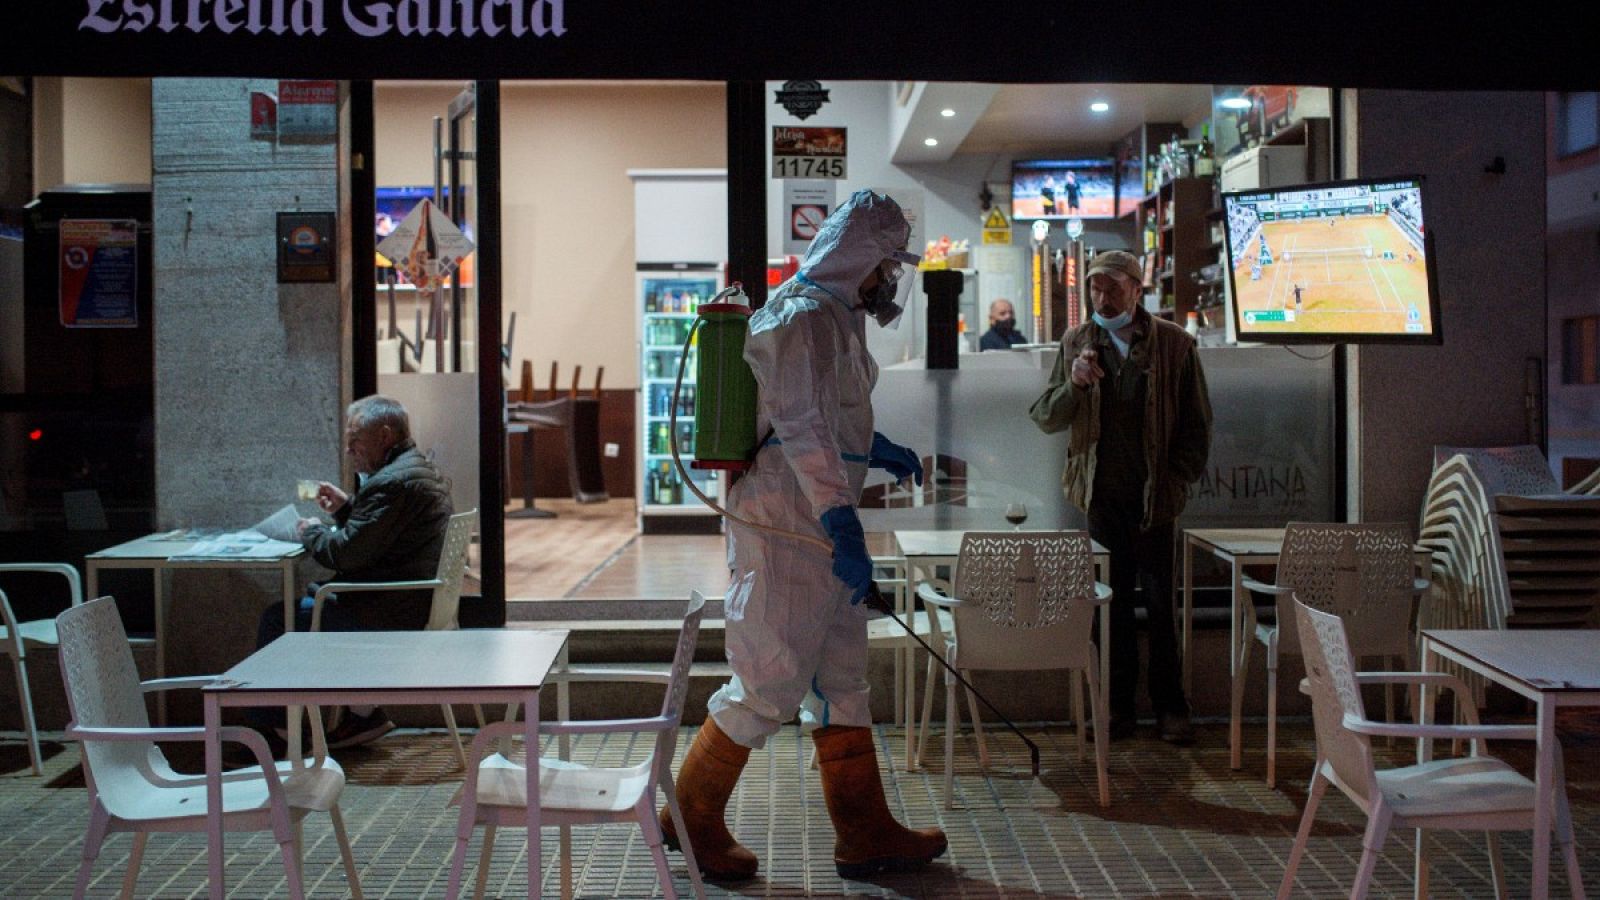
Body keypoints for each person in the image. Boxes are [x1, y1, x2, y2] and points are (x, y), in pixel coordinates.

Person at [661, 191, 946, 881]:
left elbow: (833, 419)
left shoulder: (839, 320)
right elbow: (800, 427)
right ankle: (689, 815)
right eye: (885, 263)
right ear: (860, 258)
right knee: (768, 680)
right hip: (788, 527)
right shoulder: (799, 316)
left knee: (845, 680)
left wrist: (876, 447)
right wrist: (840, 518)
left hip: (819, 522)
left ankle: (864, 831)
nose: (890, 280)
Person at [1028, 250, 1211, 745]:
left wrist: (1176, 481)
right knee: (1108, 609)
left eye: (1111, 288)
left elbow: (1198, 426)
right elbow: (1045, 415)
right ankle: (1118, 709)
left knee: (1159, 606)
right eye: (1094, 289)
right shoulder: (1077, 344)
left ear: (1137, 288)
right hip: (1101, 498)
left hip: (1155, 500)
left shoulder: (1174, 345)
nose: (1102, 298)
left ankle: (1171, 709)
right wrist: (1074, 385)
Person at [252, 394, 454, 750]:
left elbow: (346, 555)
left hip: (385, 612)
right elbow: (381, 541)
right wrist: (347, 510)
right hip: (406, 602)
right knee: (302, 610)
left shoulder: (390, 483)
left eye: (354, 441)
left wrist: (310, 531)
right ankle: (362, 715)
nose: (349, 451)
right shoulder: (418, 469)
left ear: (385, 436)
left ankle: (278, 736)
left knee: (278, 618)